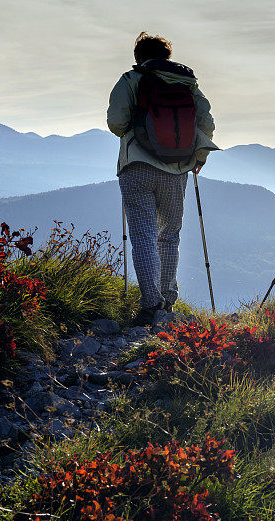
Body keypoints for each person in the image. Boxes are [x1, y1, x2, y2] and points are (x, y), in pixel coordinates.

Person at [107, 32, 217, 325]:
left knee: (143, 235)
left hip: (137, 166)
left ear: (138, 56)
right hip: (178, 168)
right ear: (167, 56)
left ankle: (150, 304)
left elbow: (116, 123)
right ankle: (167, 301)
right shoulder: (188, 84)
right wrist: (199, 157)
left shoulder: (132, 80)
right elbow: (207, 123)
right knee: (169, 236)